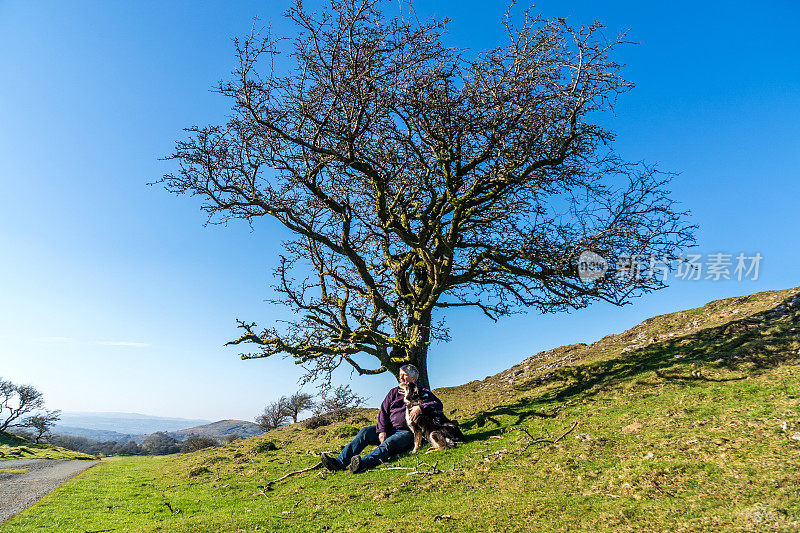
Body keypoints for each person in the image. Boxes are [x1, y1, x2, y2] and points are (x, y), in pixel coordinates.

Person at [320, 364, 443, 473]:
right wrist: (382, 431)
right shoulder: (394, 392)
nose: (401, 378)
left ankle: (362, 463)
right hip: (389, 429)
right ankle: (339, 462)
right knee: (365, 431)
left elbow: (438, 404)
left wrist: (420, 408)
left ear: (413, 378)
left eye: (404, 375)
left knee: (389, 444)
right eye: (400, 375)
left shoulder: (421, 391)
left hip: (408, 432)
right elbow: (383, 411)